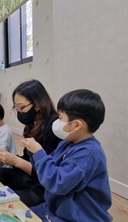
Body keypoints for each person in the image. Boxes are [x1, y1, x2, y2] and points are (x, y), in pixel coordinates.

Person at [25, 89, 112, 221]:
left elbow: (57, 182)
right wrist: (33, 153)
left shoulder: (88, 153)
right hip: (56, 208)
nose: (56, 122)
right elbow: (48, 170)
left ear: (76, 125)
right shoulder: (68, 142)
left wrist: (39, 152)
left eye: (60, 118)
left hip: (78, 217)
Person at [0, 80, 61, 207]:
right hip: (32, 177)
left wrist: (15, 161)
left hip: (44, 185)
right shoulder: (31, 125)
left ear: (38, 104)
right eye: (17, 108)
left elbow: (49, 174)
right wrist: (9, 158)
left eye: (22, 107)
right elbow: (27, 159)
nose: (19, 112)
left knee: (9, 203)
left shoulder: (54, 128)